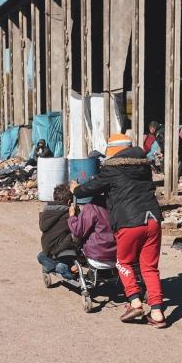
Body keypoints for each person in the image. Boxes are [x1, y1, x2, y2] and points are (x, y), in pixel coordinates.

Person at [71, 134, 166, 328]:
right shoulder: (143, 166)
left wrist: (76, 189)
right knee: (149, 267)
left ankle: (135, 302)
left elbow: (91, 187)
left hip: (129, 222)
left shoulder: (112, 168)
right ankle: (157, 312)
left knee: (123, 262)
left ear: (113, 151)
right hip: (153, 219)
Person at [38, 184, 79, 280]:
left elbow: (42, 227)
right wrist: (75, 213)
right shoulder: (69, 213)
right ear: (69, 201)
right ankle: (64, 270)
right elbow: (78, 227)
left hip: (48, 248)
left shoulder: (46, 211)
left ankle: (56, 266)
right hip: (64, 247)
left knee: (40, 256)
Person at [67, 195, 116, 266]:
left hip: (97, 256)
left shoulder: (92, 207)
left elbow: (77, 230)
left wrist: (72, 216)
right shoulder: (117, 204)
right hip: (116, 253)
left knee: (76, 237)